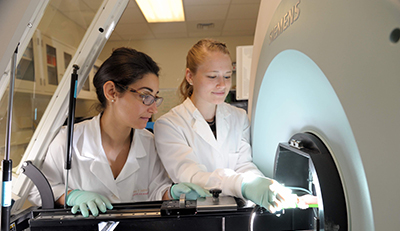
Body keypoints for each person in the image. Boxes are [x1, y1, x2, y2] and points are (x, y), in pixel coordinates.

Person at [28, 47, 209, 217]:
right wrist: (70, 195)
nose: (154, 109)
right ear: (112, 92)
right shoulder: (67, 141)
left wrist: (171, 192)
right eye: (146, 96)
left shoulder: (149, 143)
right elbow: (36, 188)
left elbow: (155, 191)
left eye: (155, 98)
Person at [154, 39, 296, 213]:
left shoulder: (239, 117)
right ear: (190, 76)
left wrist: (261, 184)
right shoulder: (169, 124)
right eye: (212, 76)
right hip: (197, 216)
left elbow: (244, 164)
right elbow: (191, 176)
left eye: (227, 76)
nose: (222, 84)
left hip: (239, 212)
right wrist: (243, 185)